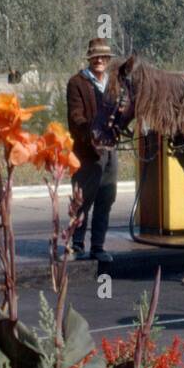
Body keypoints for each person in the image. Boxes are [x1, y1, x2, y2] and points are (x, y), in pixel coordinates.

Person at [66, 38, 118, 262]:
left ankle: (98, 246)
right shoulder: (77, 82)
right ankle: (77, 245)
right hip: (87, 152)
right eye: (95, 56)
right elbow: (75, 117)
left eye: (103, 57)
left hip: (110, 151)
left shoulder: (114, 83)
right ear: (90, 59)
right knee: (82, 199)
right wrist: (91, 132)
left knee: (106, 198)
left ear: (108, 60)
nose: (99, 60)